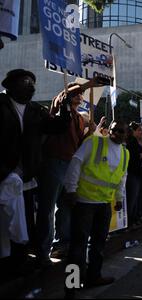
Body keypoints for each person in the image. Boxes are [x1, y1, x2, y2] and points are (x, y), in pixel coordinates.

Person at [0, 69, 71, 274]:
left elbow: (56, 127)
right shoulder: (1, 105)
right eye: (25, 81)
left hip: (25, 177)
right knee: (4, 223)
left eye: (32, 81)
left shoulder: (35, 110)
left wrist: (64, 108)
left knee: (25, 223)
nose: (30, 85)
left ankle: (20, 261)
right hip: (3, 175)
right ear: (11, 84)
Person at [36, 80, 101, 266]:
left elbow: (79, 145)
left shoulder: (80, 119)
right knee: (47, 209)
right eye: (77, 93)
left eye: (81, 94)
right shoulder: (59, 108)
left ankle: (61, 245)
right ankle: (42, 252)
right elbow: (63, 97)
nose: (80, 96)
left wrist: (91, 132)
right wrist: (89, 84)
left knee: (65, 208)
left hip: (69, 165)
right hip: (54, 162)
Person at [63, 120, 129, 298]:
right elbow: (76, 162)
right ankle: (71, 286)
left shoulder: (125, 153)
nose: (117, 133)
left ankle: (93, 276)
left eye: (122, 131)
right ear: (110, 131)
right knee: (77, 245)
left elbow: (122, 178)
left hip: (104, 204)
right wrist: (71, 189)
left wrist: (119, 198)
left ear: (126, 134)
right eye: (114, 130)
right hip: (84, 202)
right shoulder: (94, 142)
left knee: (99, 244)